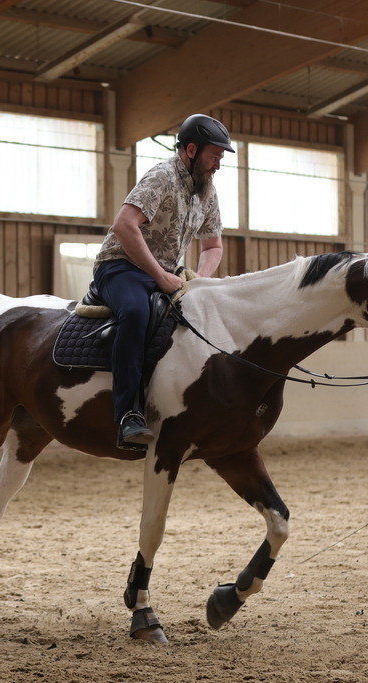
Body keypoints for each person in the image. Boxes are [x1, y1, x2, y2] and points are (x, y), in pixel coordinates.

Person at [91, 113, 234, 450]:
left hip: (168, 273)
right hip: (121, 267)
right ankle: (128, 415)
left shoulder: (207, 193)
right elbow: (125, 225)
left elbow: (213, 245)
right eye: (215, 156)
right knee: (136, 313)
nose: (217, 165)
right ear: (191, 149)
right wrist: (159, 275)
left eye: (220, 158)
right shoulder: (161, 177)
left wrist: (199, 281)